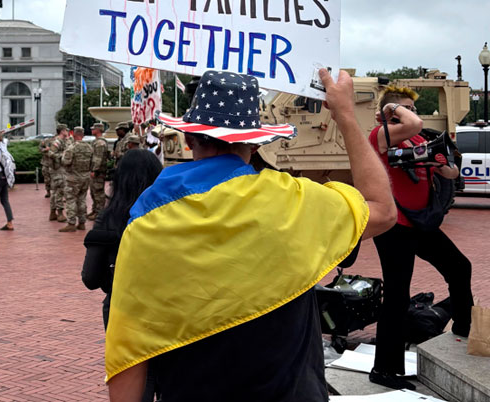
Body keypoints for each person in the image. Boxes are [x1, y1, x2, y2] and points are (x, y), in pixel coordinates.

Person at [105, 70, 397, 402]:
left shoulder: (146, 221)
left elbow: (130, 349)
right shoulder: (294, 202)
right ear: (256, 141)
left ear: (189, 140)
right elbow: (383, 210)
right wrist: (345, 114)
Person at [368, 86, 472, 390]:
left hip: (421, 223)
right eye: (403, 108)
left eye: (413, 109)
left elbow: (452, 173)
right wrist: (391, 113)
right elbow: (407, 123)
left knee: (459, 266)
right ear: (389, 112)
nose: (411, 114)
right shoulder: (379, 135)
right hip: (394, 225)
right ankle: (385, 369)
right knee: (398, 295)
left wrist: (444, 167)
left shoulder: (422, 138)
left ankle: (463, 331)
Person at [82, 148, 162, 327]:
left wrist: (112, 282)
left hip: (121, 306)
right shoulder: (173, 213)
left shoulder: (109, 219)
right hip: (165, 306)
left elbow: (90, 277)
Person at [60, 127, 93, 232]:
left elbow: (66, 162)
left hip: (73, 178)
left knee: (71, 200)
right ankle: (82, 222)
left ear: (74, 135)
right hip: (85, 177)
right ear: (82, 135)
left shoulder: (71, 148)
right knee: (82, 199)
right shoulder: (89, 147)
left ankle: (71, 223)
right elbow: (93, 163)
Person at [48, 123, 70, 223]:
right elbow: (51, 153)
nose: (67, 132)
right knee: (60, 191)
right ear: (62, 131)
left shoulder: (65, 141)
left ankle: (53, 212)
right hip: (57, 169)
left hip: (62, 169)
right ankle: (60, 213)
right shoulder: (57, 142)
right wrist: (63, 156)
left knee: (55, 191)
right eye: (66, 130)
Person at [88, 123, 109, 220]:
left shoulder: (100, 143)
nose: (92, 130)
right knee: (93, 191)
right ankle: (95, 210)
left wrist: (94, 170)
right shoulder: (96, 142)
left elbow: (98, 158)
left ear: (98, 130)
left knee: (98, 192)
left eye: (94, 129)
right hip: (95, 170)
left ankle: (100, 213)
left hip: (99, 172)